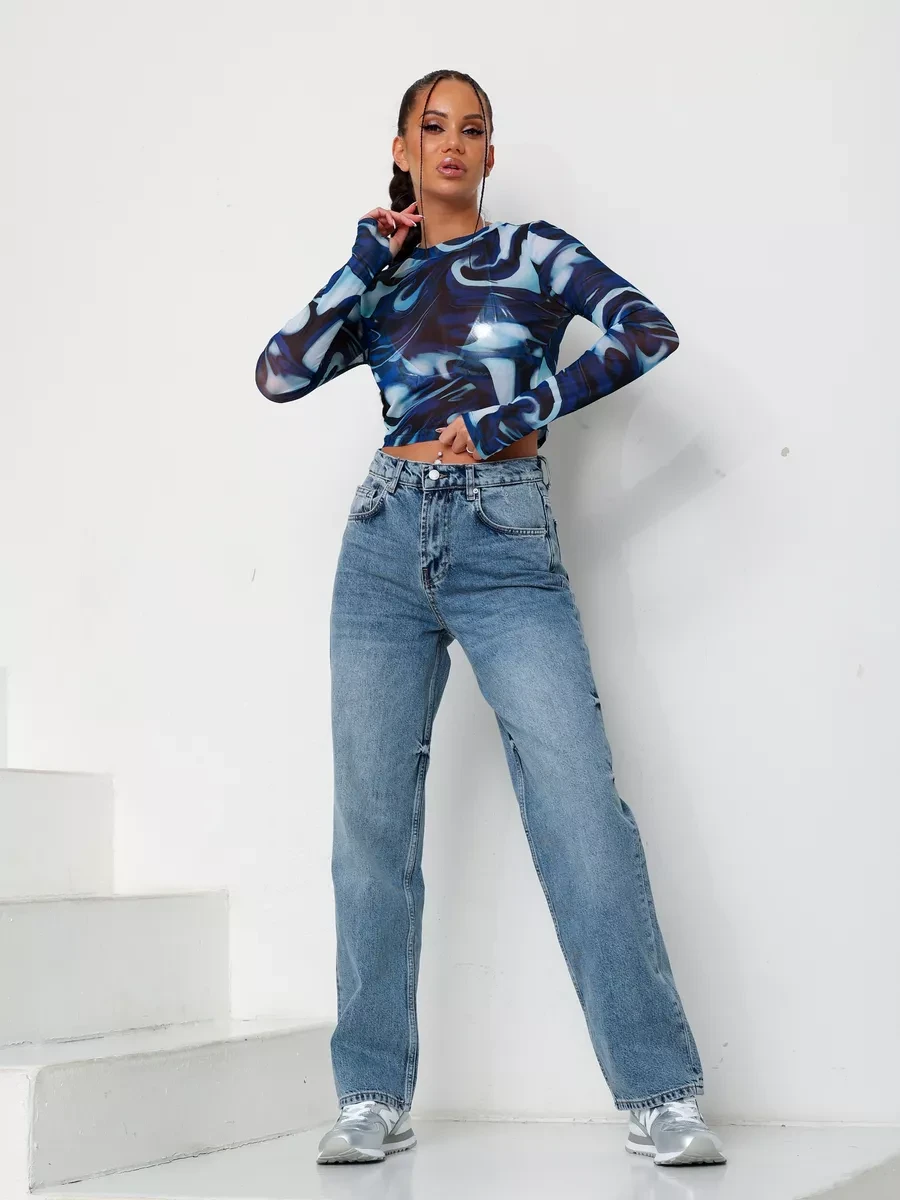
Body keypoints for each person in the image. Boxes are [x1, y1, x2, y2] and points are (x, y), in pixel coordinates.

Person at [255, 68, 727, 1170]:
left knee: (578, 804)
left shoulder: (534, 252)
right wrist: (362, 262)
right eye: (434, 127)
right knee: (371, 825)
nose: (454, 143)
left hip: (506, 537)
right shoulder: (382, 280)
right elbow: (279, 373)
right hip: (383, 540)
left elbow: (646, 330)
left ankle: (660, 1093)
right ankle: (371, 1094)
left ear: (490, 153)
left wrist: (527, 408)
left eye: (474, 128)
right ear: (404, 148)